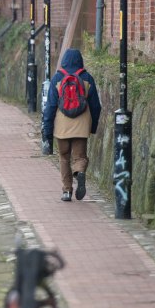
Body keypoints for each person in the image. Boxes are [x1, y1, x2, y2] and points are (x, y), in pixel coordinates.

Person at [41, 49, 102, 201]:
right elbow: (96, 106)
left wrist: (47, 131)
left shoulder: (57, 78)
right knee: (80, 157)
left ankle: (67, 191)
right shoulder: (87, 78)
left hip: (62, 125)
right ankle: (79, 172)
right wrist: (92, 127)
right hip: (82, 124)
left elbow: (50, 107)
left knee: (64, 157)